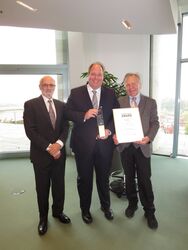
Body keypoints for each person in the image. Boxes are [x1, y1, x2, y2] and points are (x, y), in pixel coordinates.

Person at [65, 62, 119, 224]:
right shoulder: (76, 93)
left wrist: (109, 131)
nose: (96, 77)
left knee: (103, 178)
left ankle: (106, 206)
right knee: (84, 179)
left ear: (103, 76)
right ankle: (85, 210)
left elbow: (115, 115)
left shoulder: (110, 93)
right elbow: (67, 113)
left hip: (105, 145)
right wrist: (84, 114)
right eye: (93, 74)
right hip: (83, 146)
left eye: (100, 74)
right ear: (88, 75)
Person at [23, 76, 71, 236]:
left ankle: (58, 212)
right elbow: (31, 131)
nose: (49, 87)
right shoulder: (30, 105)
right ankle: (43, 219)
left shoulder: (61, 105)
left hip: (59, 154)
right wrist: (50, 147)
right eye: (45, 85)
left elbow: (65, 128)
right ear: (40, 86)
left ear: (54, 87)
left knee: (59, 187)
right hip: (41, 155)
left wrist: (59, 145)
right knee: (42, 189)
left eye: (51, 85)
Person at [113, 73, 159, 229]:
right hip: (126, 147)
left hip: (142, 147)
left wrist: (148, 137)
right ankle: (132, 204)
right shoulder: (120, 102)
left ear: (140, 85)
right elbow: (115, 123)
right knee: (129, 178)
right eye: (127, 84)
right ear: (125, 86)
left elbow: (155, 123)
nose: (131, 87)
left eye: (134, 84)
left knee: (145, 179)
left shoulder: (150, 102)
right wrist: (115, 136)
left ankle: (149, 210)